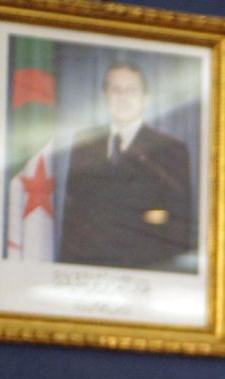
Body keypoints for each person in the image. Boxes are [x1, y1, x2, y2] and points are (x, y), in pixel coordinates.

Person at [59, 61, 194, 273]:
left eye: (131, 90)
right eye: (115, 89)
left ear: (146, 99)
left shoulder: (171, 150)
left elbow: (178, 226)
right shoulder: (84, 144)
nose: (123, 96)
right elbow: (74, 216)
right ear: (105, 97)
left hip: (146, 270)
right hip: (89, 272)